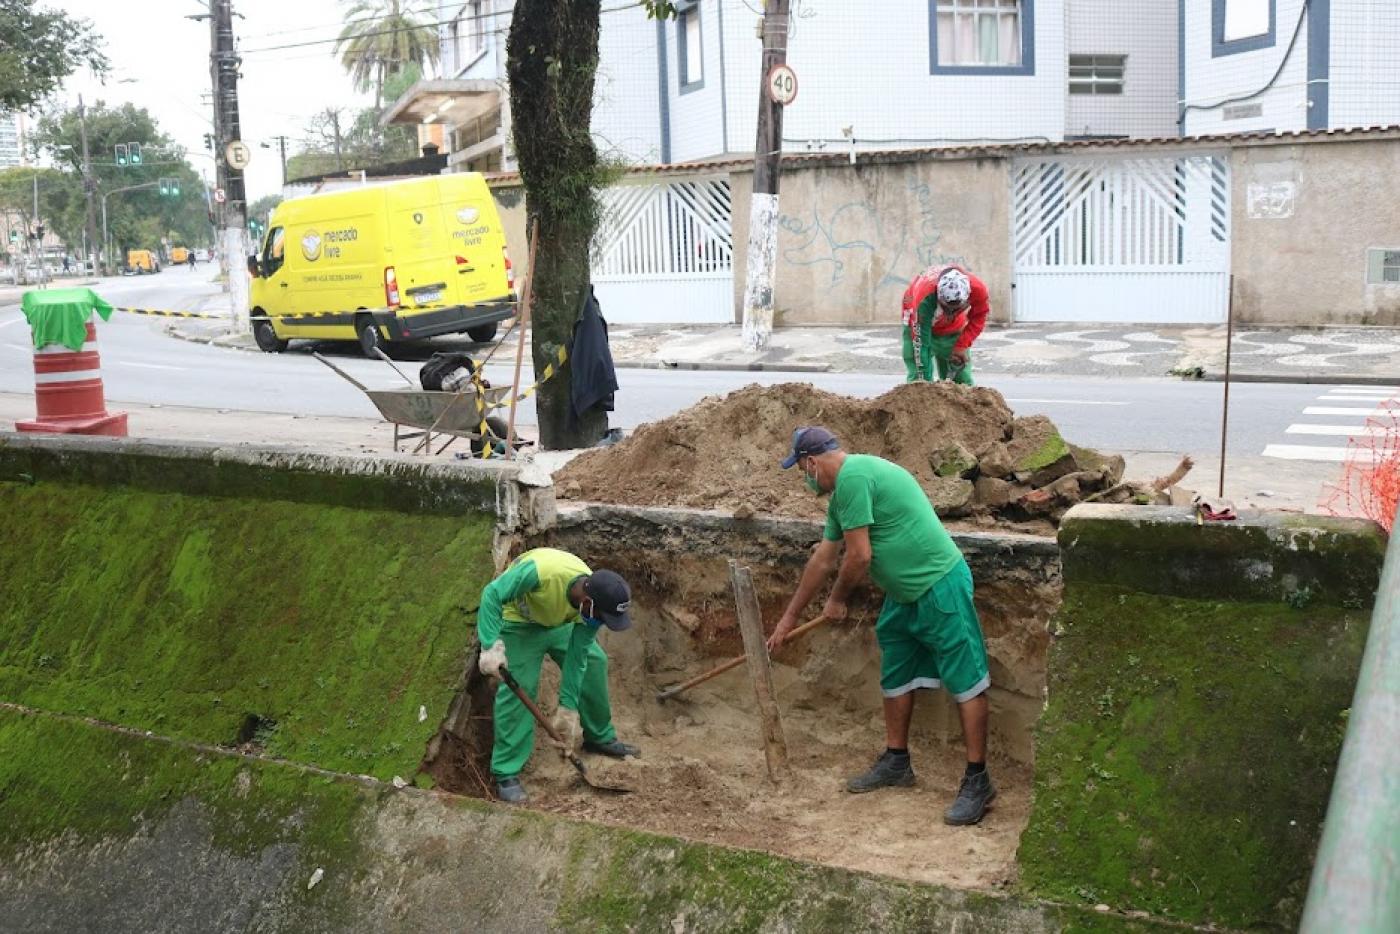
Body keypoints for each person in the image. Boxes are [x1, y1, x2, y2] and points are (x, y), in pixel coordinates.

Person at [769, 427, 995, 825]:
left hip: (939, 584)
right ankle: (896, 762)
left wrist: (837, 600)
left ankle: (978, 780)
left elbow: (858, 557)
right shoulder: (843, 496)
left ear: (811, 462)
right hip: (903, 595)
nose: (806, 480)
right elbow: (823, 559)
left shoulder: (854, 477)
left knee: (966, 679)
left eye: (803, 471)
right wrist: (788, 618)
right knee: (897, 675)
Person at [475, 547, 640, 803]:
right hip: (519, 624)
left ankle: (599, 737)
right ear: (587, 601)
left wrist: (568, 707)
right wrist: (489, 645)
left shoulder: (590, 609)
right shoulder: (540, 573)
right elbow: (492, 594)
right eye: (603, 617)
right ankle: (506, 772)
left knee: (595, 662)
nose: (601, 623)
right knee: (521, 687)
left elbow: (578, 657)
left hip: (558, 623)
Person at [900, 265, 990, 386]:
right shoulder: (925, 298)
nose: (951, 311)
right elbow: (921, 346)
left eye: (956, 307)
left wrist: (962, 345)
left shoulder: (978, 290)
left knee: (961, 380)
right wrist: (925, 389)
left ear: (968, 294)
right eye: (946, 306)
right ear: (939, 293)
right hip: (917, 320)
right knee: (919, 378)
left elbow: (979, 317)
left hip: (952, 327)